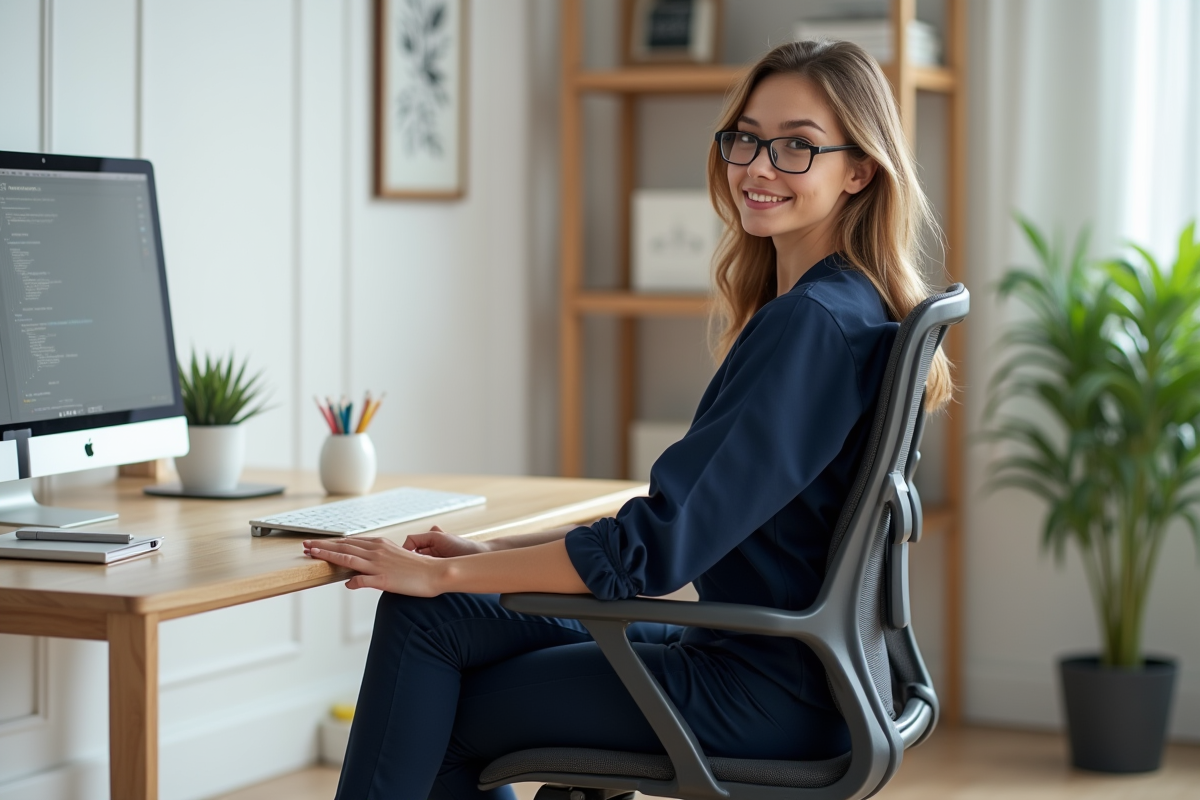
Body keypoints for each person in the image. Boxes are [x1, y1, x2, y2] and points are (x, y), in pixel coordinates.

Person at [305, 38, 953, 800]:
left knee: (439, 671)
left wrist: (446, 569)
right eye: (745, 137)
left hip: (762, 687)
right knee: (438, 616)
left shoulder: (809, 326)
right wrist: (488, 553)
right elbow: (677, 524)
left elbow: (655, 548)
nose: (758, 166)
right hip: (788, 663)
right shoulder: (844, 304)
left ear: (860, 170)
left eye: (797, 147)